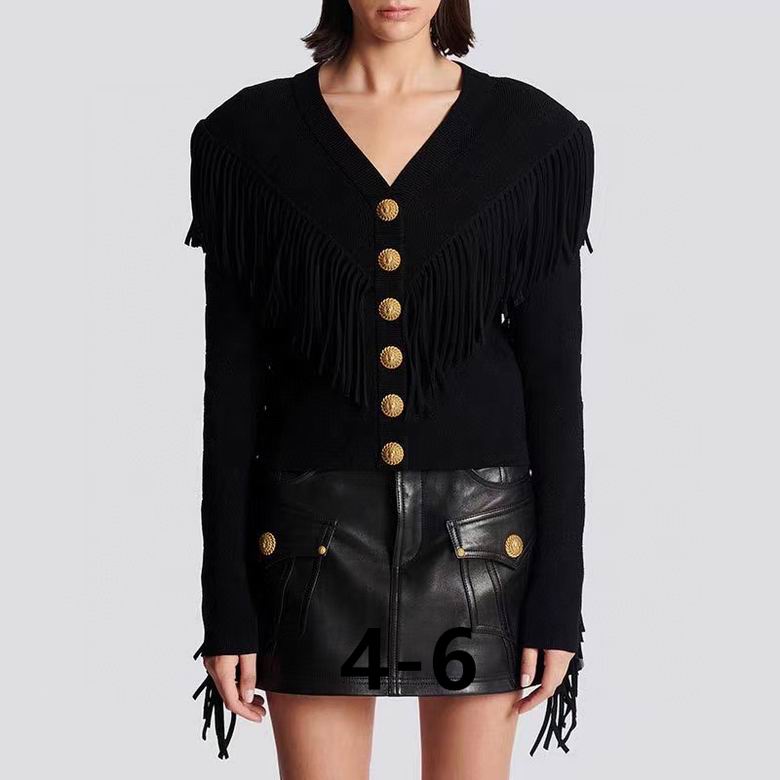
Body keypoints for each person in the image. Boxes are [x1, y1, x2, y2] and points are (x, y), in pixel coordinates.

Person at [184, 1, 594, 776]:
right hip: (311, 544)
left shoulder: (534, 138)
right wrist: (226, 601)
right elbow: (230, 389)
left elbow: (554, 386)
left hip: (478, 540)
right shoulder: (248, 140)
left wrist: (558, 599)